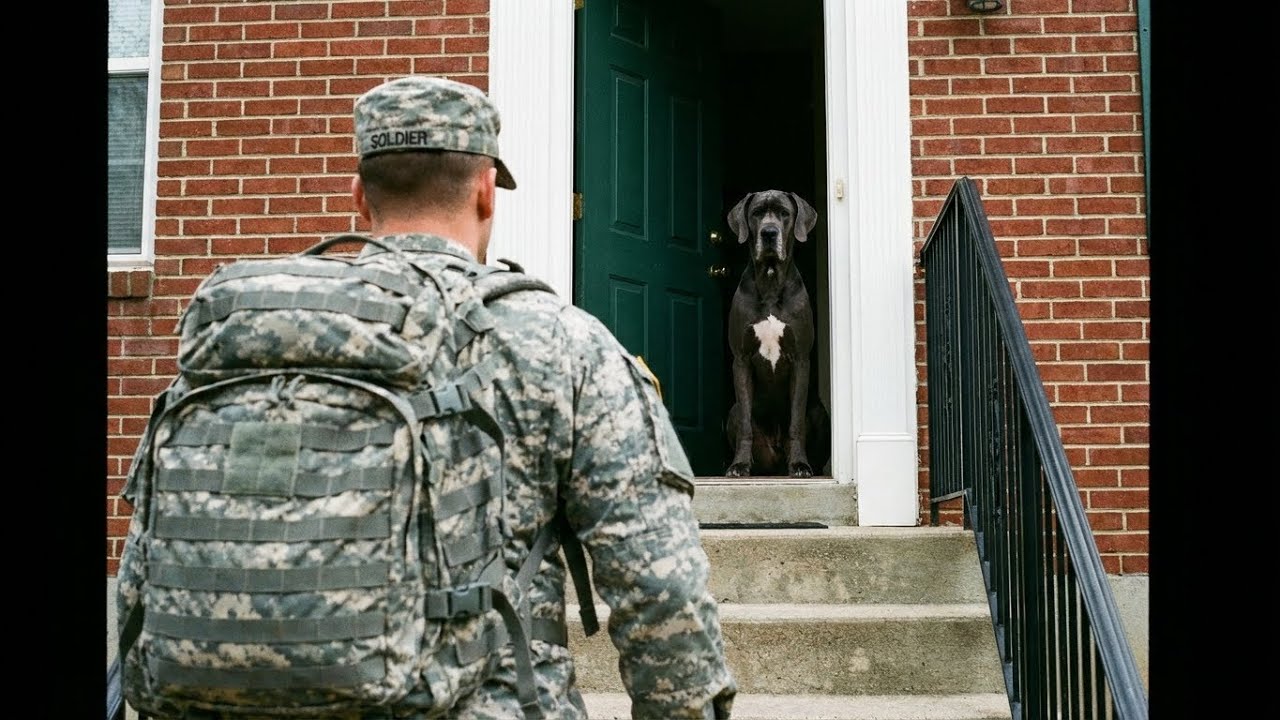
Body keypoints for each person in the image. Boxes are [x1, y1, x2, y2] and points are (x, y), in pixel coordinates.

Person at [350, 75, 737, 719]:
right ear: (484, 193)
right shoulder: (561, 342)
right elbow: (662, 590)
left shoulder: (249, 334)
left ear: (360, 199)